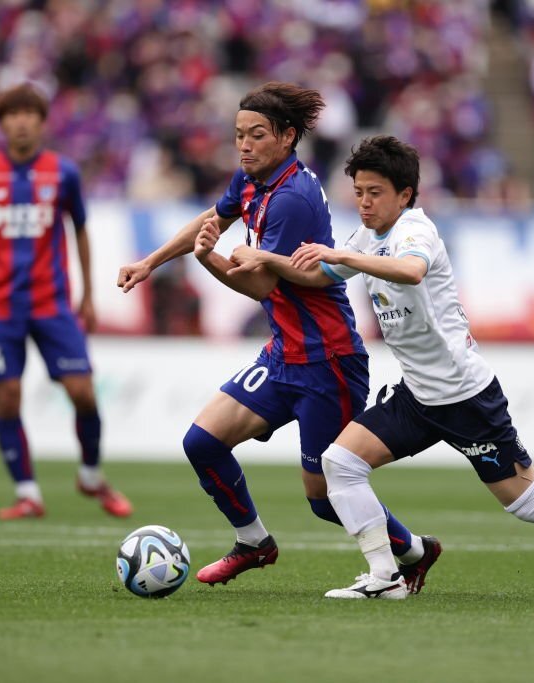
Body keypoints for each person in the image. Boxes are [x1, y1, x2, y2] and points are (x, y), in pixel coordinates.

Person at [229, 136, 534, 601]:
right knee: (340, 463)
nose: (364, 202)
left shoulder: (415, 231)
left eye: (375, 192)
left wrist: (339, 254)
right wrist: (269, 259)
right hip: (417, 397)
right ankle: (385, 577)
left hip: (464, 397)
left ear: (405, 194)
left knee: (530, 502)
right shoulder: (367, 236)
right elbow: (319, 275)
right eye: (358, 192)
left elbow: (411, 270)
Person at [117, 83, 440, 590]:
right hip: (283, 353)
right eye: (239, 135)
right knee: (202, 442)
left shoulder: (292, 197)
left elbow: (262, 284)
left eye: (257, 135)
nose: (244, 145)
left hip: (326, 362)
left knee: (324, 497)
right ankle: (254, 542)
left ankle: (414, 549)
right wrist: (150, 261)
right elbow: (212, 220)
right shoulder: (250, 181)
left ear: (287, 137)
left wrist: (209, 260)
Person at [0, 83, 132, 521]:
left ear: (42, 122)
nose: (22, 121)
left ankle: (90, 476)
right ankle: (28, 493)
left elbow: (80, 229)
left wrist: (87, 293)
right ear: (2, 122)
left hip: (53, 304)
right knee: (7, 397)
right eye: (13, 114)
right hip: (1, 307)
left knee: (83, 393)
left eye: (30, 113)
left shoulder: (63, 173)